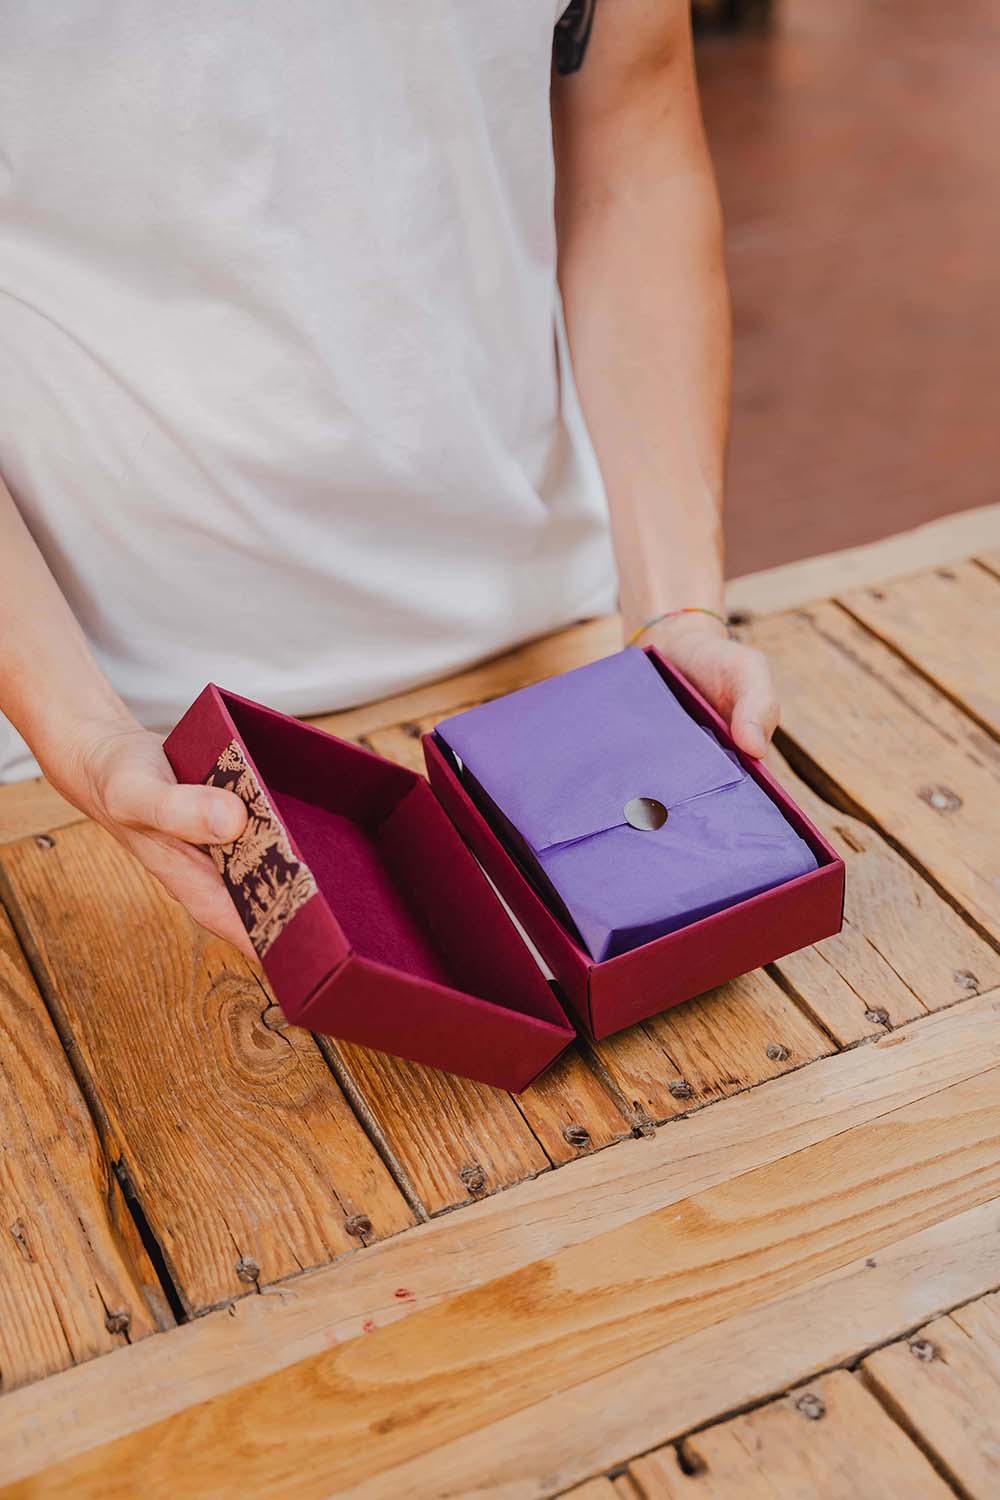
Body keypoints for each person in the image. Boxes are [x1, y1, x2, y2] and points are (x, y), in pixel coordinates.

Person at [0, 1, 778, 959]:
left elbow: (636, 150)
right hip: (128, 748)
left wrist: (675, 610)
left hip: (560, 652)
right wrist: (82, 736)